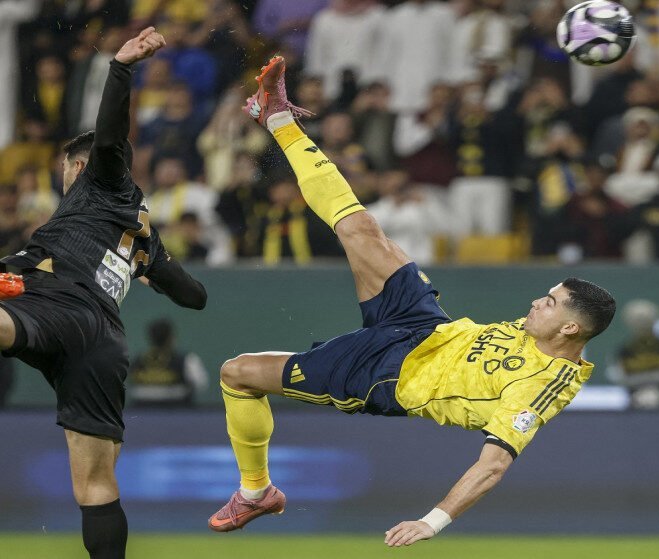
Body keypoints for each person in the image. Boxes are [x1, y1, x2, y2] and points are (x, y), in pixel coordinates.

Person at [208, 56, 616, 546]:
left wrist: (432, 520)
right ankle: (277, 118)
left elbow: (493, 465)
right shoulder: (541, 330)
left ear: (570, 328)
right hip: (425, 324)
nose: (536, 302)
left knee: (238, 372)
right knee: (361, 227)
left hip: (388, 374)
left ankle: (256, 492)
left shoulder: (543, 385)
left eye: (549, 303)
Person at [0, 28, 207, 559]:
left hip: (56, 303)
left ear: (77, 167)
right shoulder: (146, 241)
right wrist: (147, 268)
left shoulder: (100, 181)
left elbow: (110, 139)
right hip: (103, 343)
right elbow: (195, 297)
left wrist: (120, 67)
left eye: (63, 172)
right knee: (95, 487)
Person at [606, 300, 659, 410]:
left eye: (645, 318)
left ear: (655, 318)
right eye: (637, 319)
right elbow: (622, 379)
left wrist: (651, 381)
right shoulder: (624, 351)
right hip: (636, 405)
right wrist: (657, 377)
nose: (642, 322)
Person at [129, 318, 208, 407]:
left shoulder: (137, 360)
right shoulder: (186, 360)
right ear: (171, 338)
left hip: (142, 409)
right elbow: (200, 384)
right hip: (177, 409)